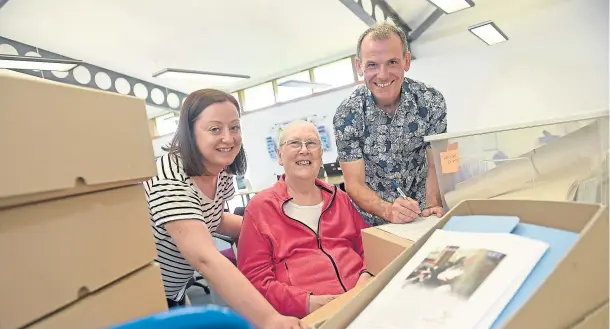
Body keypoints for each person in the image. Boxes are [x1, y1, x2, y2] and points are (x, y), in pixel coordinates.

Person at [143, 89, 308, 329]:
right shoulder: (170, 181)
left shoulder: (220, 170)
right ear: (190, 132)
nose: (228, 138)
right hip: (146, 296)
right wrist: (270, 319)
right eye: (215, 129)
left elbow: (215, 217)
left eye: (234, 127)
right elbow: (206, 258)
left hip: (176, 288)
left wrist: (275, 233)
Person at [237, 120, 372, 318]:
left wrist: (366, 276)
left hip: (361, 300)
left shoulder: (339, 198)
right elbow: (254, 279)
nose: (304, 150)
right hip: (306, 316)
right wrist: (306, 302)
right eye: (294, 143)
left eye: (311, 143)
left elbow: (367, 246)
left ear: (320, 154)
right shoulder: (260, 208)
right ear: (279, 155)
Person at [333, 23, 447, 227]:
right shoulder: (347, 114)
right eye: (372, 65)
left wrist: (432, 206)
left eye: (392, 62)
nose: (383, 74)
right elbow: (354, 183)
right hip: (371, 221)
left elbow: (435, 164)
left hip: (423, 212)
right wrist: (388, 211)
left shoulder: (431, 102)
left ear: (407, 60)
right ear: (359, 67)